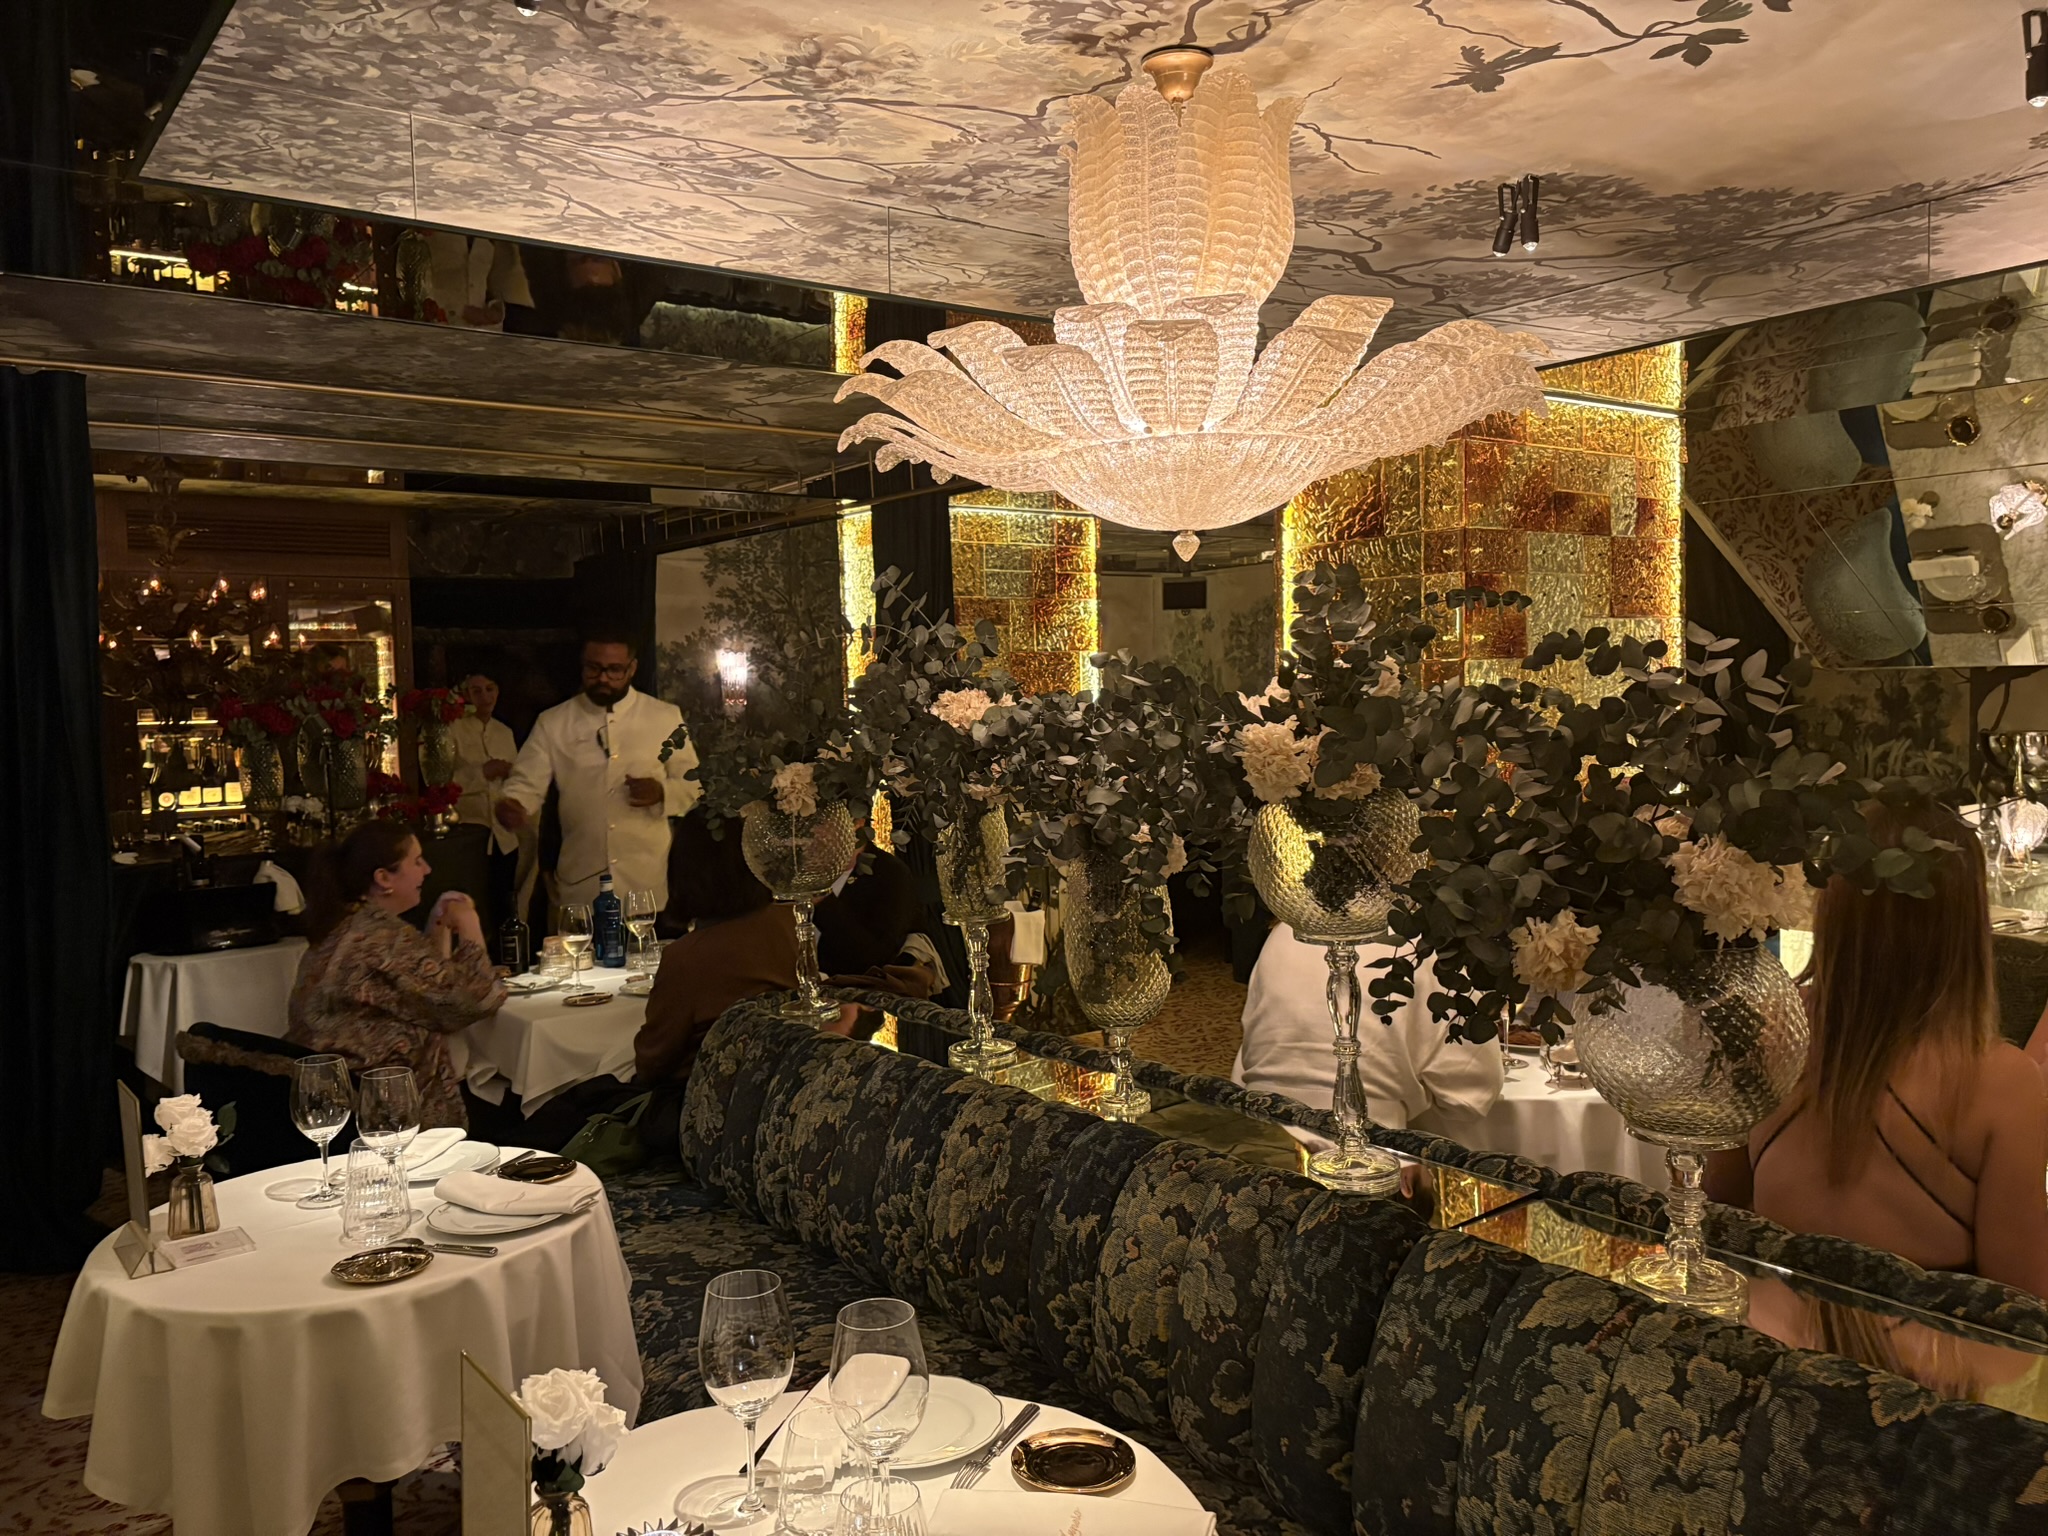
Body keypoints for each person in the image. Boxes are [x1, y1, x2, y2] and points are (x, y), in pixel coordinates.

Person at [1706, 800, 2048, 1295]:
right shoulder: (2001, 1081)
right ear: (1965, 920)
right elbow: (2018, 1306)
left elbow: (1720, 1224)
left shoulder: (1767, 1027)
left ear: (1834, 904)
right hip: (1914, 1367)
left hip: (1766, 1351)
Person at [286, 820, 504, 1130]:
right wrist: (468, 921)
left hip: (336, 1095)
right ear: (383, 878)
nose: (426, 870)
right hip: (381, 1110)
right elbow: (476, 1000)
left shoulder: (347, 926)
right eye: (416, 861)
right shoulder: (381, 938)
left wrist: (438, 928)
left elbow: (421, 992)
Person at [1233, 925, 1505, 1148]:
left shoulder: (1283, 932)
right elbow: (1470, 1095)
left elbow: (1247, 1059)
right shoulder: (1422, 947)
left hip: (1261, 1146)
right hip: (1373, 1156)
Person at [495, 631, 698, 910]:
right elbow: (526, 783)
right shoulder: (554, 722)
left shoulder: (664, 717)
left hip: (646, 880)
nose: (603, 678)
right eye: (594, 668)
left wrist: (661, 792)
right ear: (582, 665)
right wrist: (513, 805)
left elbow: (693, 783)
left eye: (614, 670)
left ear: (632, 669)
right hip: (582, 880)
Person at [450, 671, 528, 935]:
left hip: (504, 837)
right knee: (473, 905)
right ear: (464, 695)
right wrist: (482, 773)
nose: (485, 696)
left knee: (505, 905)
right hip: (470, 834)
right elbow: (439, 783)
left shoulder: (504, 732)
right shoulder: (452, 729)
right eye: (476, 690)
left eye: (490, 688)